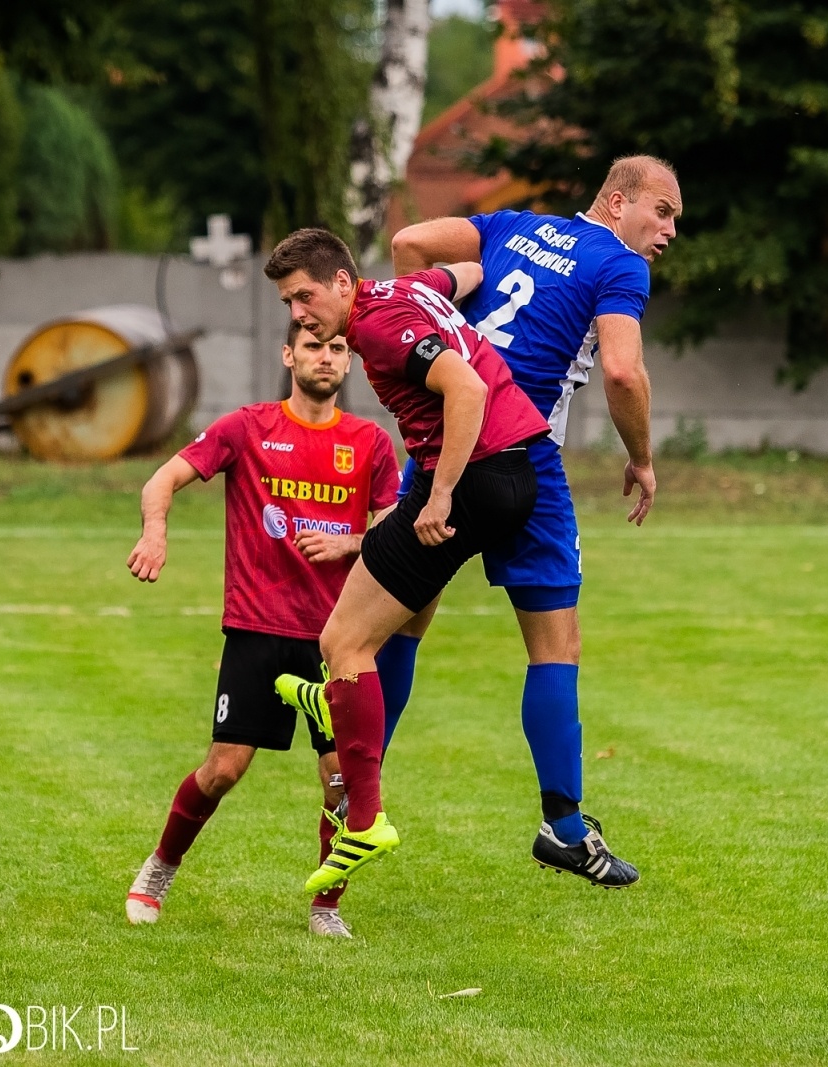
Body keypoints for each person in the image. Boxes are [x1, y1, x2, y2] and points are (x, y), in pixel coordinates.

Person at [279, 155, 682, 887]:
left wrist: (448, 334)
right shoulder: (620, 265)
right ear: (617, 203)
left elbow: (407, 247)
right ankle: (563, 827)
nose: (670, 230)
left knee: (397, 627)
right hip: (521, 455)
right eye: (663, 211)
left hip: (441, 454)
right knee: (554, 645)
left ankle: (354, 788)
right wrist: (643, 458)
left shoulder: (512, 226)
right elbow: (623, 372)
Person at [263, 227, 550, 895]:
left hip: (471, 476)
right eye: (287, 304)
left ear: (341, 282)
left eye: (304, 295)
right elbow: (466, 275)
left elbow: (469, 391)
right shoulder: (407, 289)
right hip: (499, 473)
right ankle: (341, 701)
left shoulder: (385, 322)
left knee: (343, 639)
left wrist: (444, 492)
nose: (300, 312)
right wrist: (477, 280)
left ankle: (365, 819)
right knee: (403, 622)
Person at [124, 323, 400, 939]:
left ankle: (326, 907)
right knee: (223, 768)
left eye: (335, 349)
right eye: (312, 347)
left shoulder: (371, 443)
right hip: (258, 627)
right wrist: (155, 532)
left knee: (341, 784)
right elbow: (160, 479)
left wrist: (349, 541)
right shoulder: (248, 428)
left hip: (339, 638)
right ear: (289, 355)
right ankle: (159, 868)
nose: (324, 358)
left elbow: (393, 536)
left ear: (348, 363)